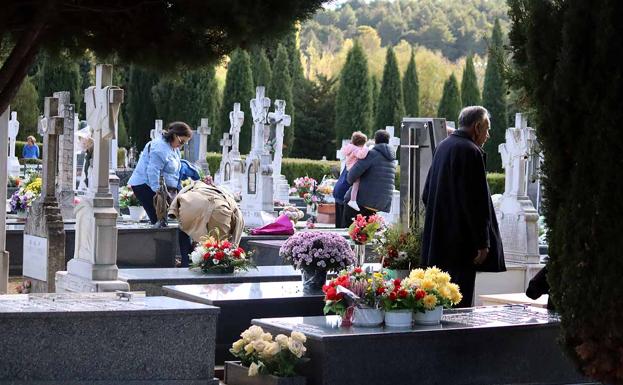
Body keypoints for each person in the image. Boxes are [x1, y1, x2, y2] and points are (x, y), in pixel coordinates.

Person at [421, 106, 505, 308]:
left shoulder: (443, 146)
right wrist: (482, 243)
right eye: (487, 128)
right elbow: (476, 203)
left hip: (439, 239)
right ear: (477, 127)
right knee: (460, 301)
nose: (488, 135)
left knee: (439, 301)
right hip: (462, 245)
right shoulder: (471, 151)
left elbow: (426, 194)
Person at [128, 121, 193, 264]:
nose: (181, 146)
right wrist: (160, 197)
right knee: (160, 222)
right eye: (181, 141)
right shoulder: (159, 148)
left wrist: (180, 191)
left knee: (185, 219)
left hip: (166, 189)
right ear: (174, 135)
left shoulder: (173, 147)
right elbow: (153, 172)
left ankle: (187, 259)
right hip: (146, 187)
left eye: (184, 144)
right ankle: (161, 261)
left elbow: (174, 172)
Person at [342, 129, 397, 224]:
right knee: (367, 233)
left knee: (349, 230)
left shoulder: (372, 154)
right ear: (388, 141)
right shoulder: (391, 159)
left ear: (375, 141)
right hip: (379, 203)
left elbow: (351, 176)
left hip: (362, 201)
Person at [340, 131, 369, 211]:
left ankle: (353, 200)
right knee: (356, 185)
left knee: (356, 185)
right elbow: (361, 155)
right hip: (354, 169)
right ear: (360, 143)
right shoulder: (356, 149)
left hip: (349, 168)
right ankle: (353, 200)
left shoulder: (350, 147)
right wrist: (366, 148)